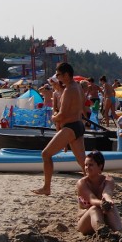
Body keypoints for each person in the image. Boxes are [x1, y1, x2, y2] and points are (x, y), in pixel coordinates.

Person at [32, 63, 86, 196]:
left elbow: (62, 114)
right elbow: (80, 109)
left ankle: (46, 187)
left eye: (59, 75)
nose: (57, 78)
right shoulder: (77, 87)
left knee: (46, 154)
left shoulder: (69, 89)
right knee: (83, 162)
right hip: (77, 126)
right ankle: (97, 186)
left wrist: (53, 118)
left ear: (66, 75)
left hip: (70, 127)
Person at [76, 151, 122, 235]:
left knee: (111, 206)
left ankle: (120, 233)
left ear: (100, 166)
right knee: (94, 208)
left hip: (105, 219)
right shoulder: (82, 183)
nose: (87, 167)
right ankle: (103, 234)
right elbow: (92, 199)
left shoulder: (108, 180)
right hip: (85, 223)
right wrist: (102, 203)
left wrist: (108, 201)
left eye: (91, 165)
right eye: (86, 165)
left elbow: (106, 193)